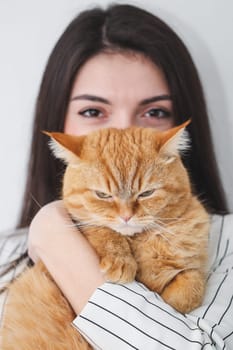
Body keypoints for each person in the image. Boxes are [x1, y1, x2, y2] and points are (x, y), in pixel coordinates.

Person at [0, 3, 232, 349]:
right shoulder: (6, 250)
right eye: (93, 111)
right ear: (59, 124)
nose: (123, 133)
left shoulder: (225, 241)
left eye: (154, 111)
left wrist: (57, 240)